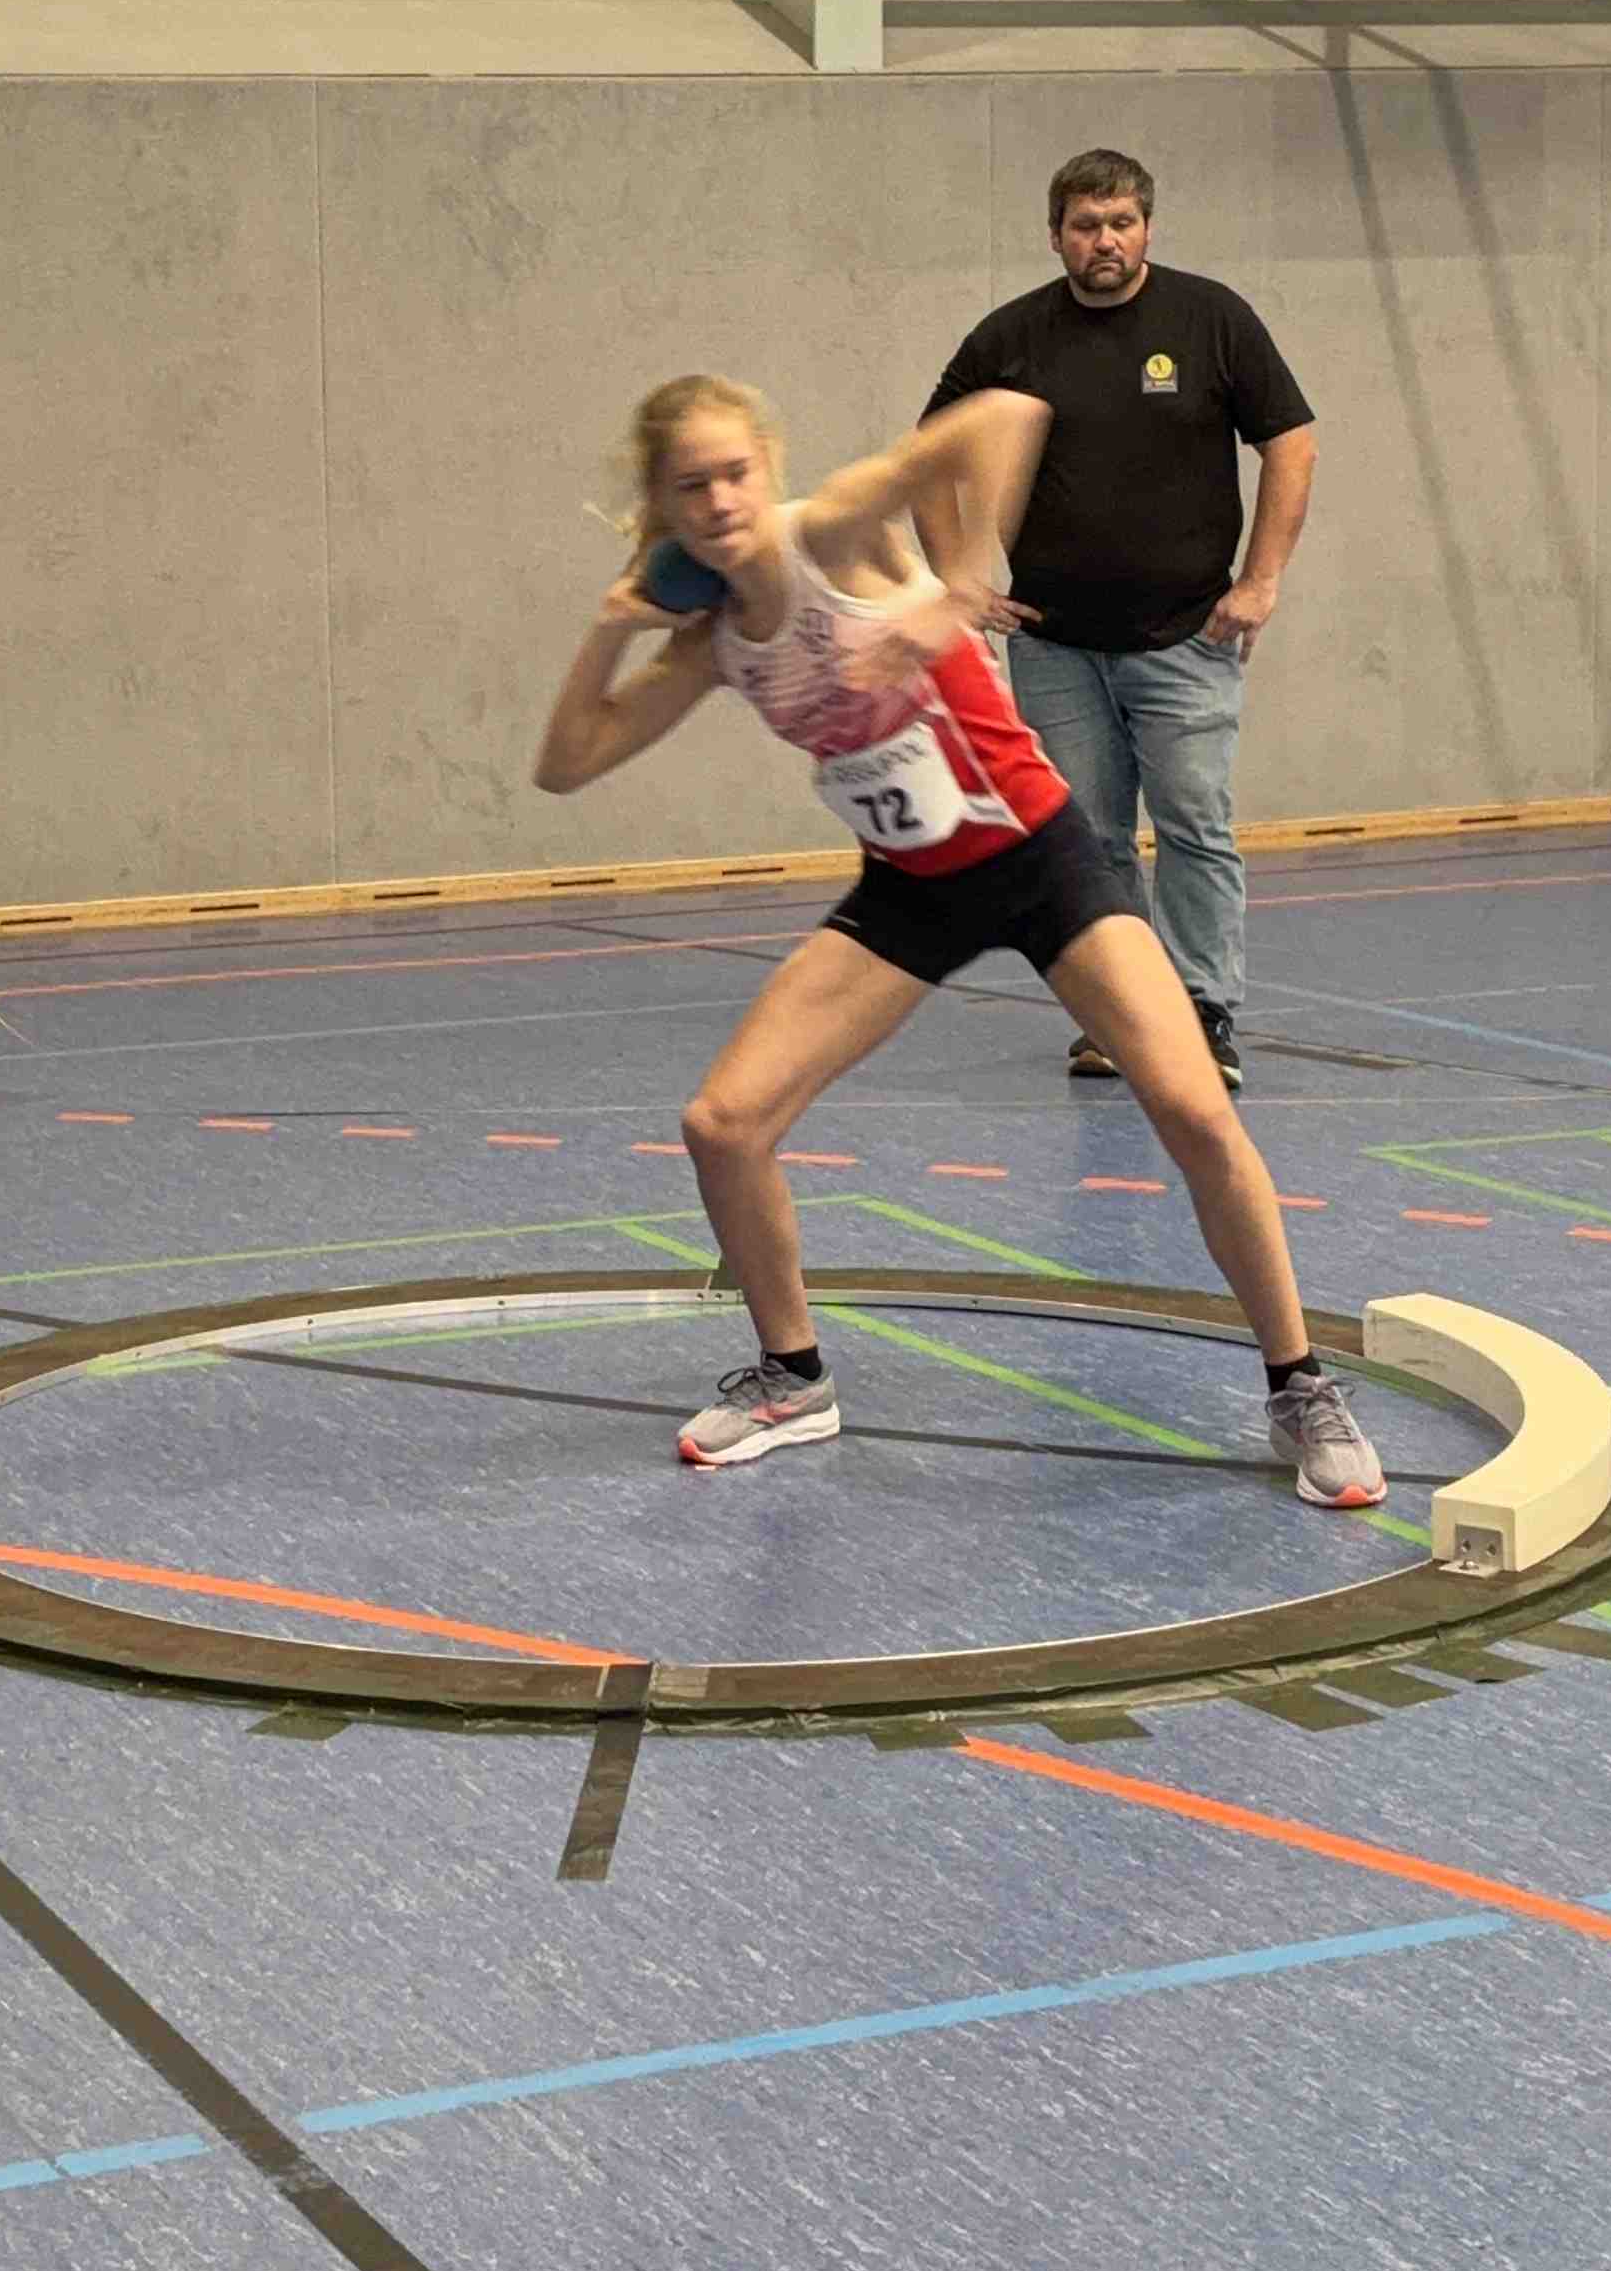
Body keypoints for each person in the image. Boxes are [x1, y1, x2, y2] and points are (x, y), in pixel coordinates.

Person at [531, 371, 1382, 1502]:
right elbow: (567, 764)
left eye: (736, 472)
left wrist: (962, 586)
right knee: (723, 1125)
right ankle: (794, 1378)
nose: (723, 500)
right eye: (693, 486)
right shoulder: (711, 642)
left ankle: (1299, 1384)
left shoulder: (831, 534)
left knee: (1191, 1108)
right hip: (911, 889)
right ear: (662, 503)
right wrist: (609, 627)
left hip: (1042, 862)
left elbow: (1007, 415)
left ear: (769, 468)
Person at [921, 147, 1315, 1095]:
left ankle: (1203, 1013)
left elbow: (1291, 441)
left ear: (1147, 228)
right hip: (1056, 646)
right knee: (1090, 842)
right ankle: (1125, 1019)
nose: (1105, 240)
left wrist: (1260, 580)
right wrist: (957, 581)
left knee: (1193, 824)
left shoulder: (1211, 319)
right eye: (1086, 225)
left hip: (1187, 639)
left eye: (1122, 223)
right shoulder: (1013, 337)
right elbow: (930, 454)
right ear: (1056, 235)